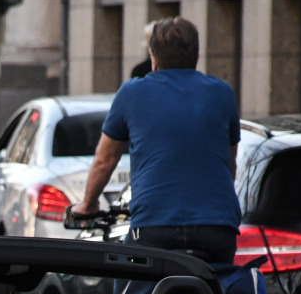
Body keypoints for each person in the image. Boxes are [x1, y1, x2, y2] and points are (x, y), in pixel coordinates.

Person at [71, 17, 240, 266]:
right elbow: (230, 164)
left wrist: (87, 205)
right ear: (196, 56)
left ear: (153, 58)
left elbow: (104, 161)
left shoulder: (132, 93)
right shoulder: (222, 93)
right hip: (216, 227)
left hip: (155, 227)